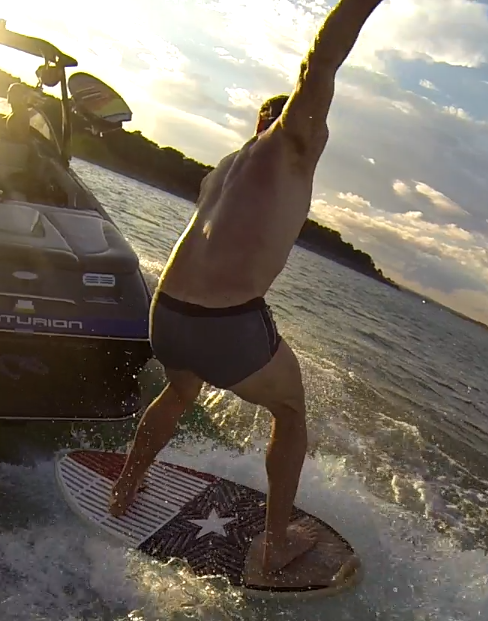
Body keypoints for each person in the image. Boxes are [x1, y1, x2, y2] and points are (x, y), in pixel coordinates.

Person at [107, 0, 388, 576]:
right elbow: (321, 63)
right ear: (287, 122)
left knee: (179, 393)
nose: (321, 129)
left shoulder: (225, 169)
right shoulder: (292, 146)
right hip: (222, 323)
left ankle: (127, 485)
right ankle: (276, 541)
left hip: (167, 313)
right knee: (290, 408)